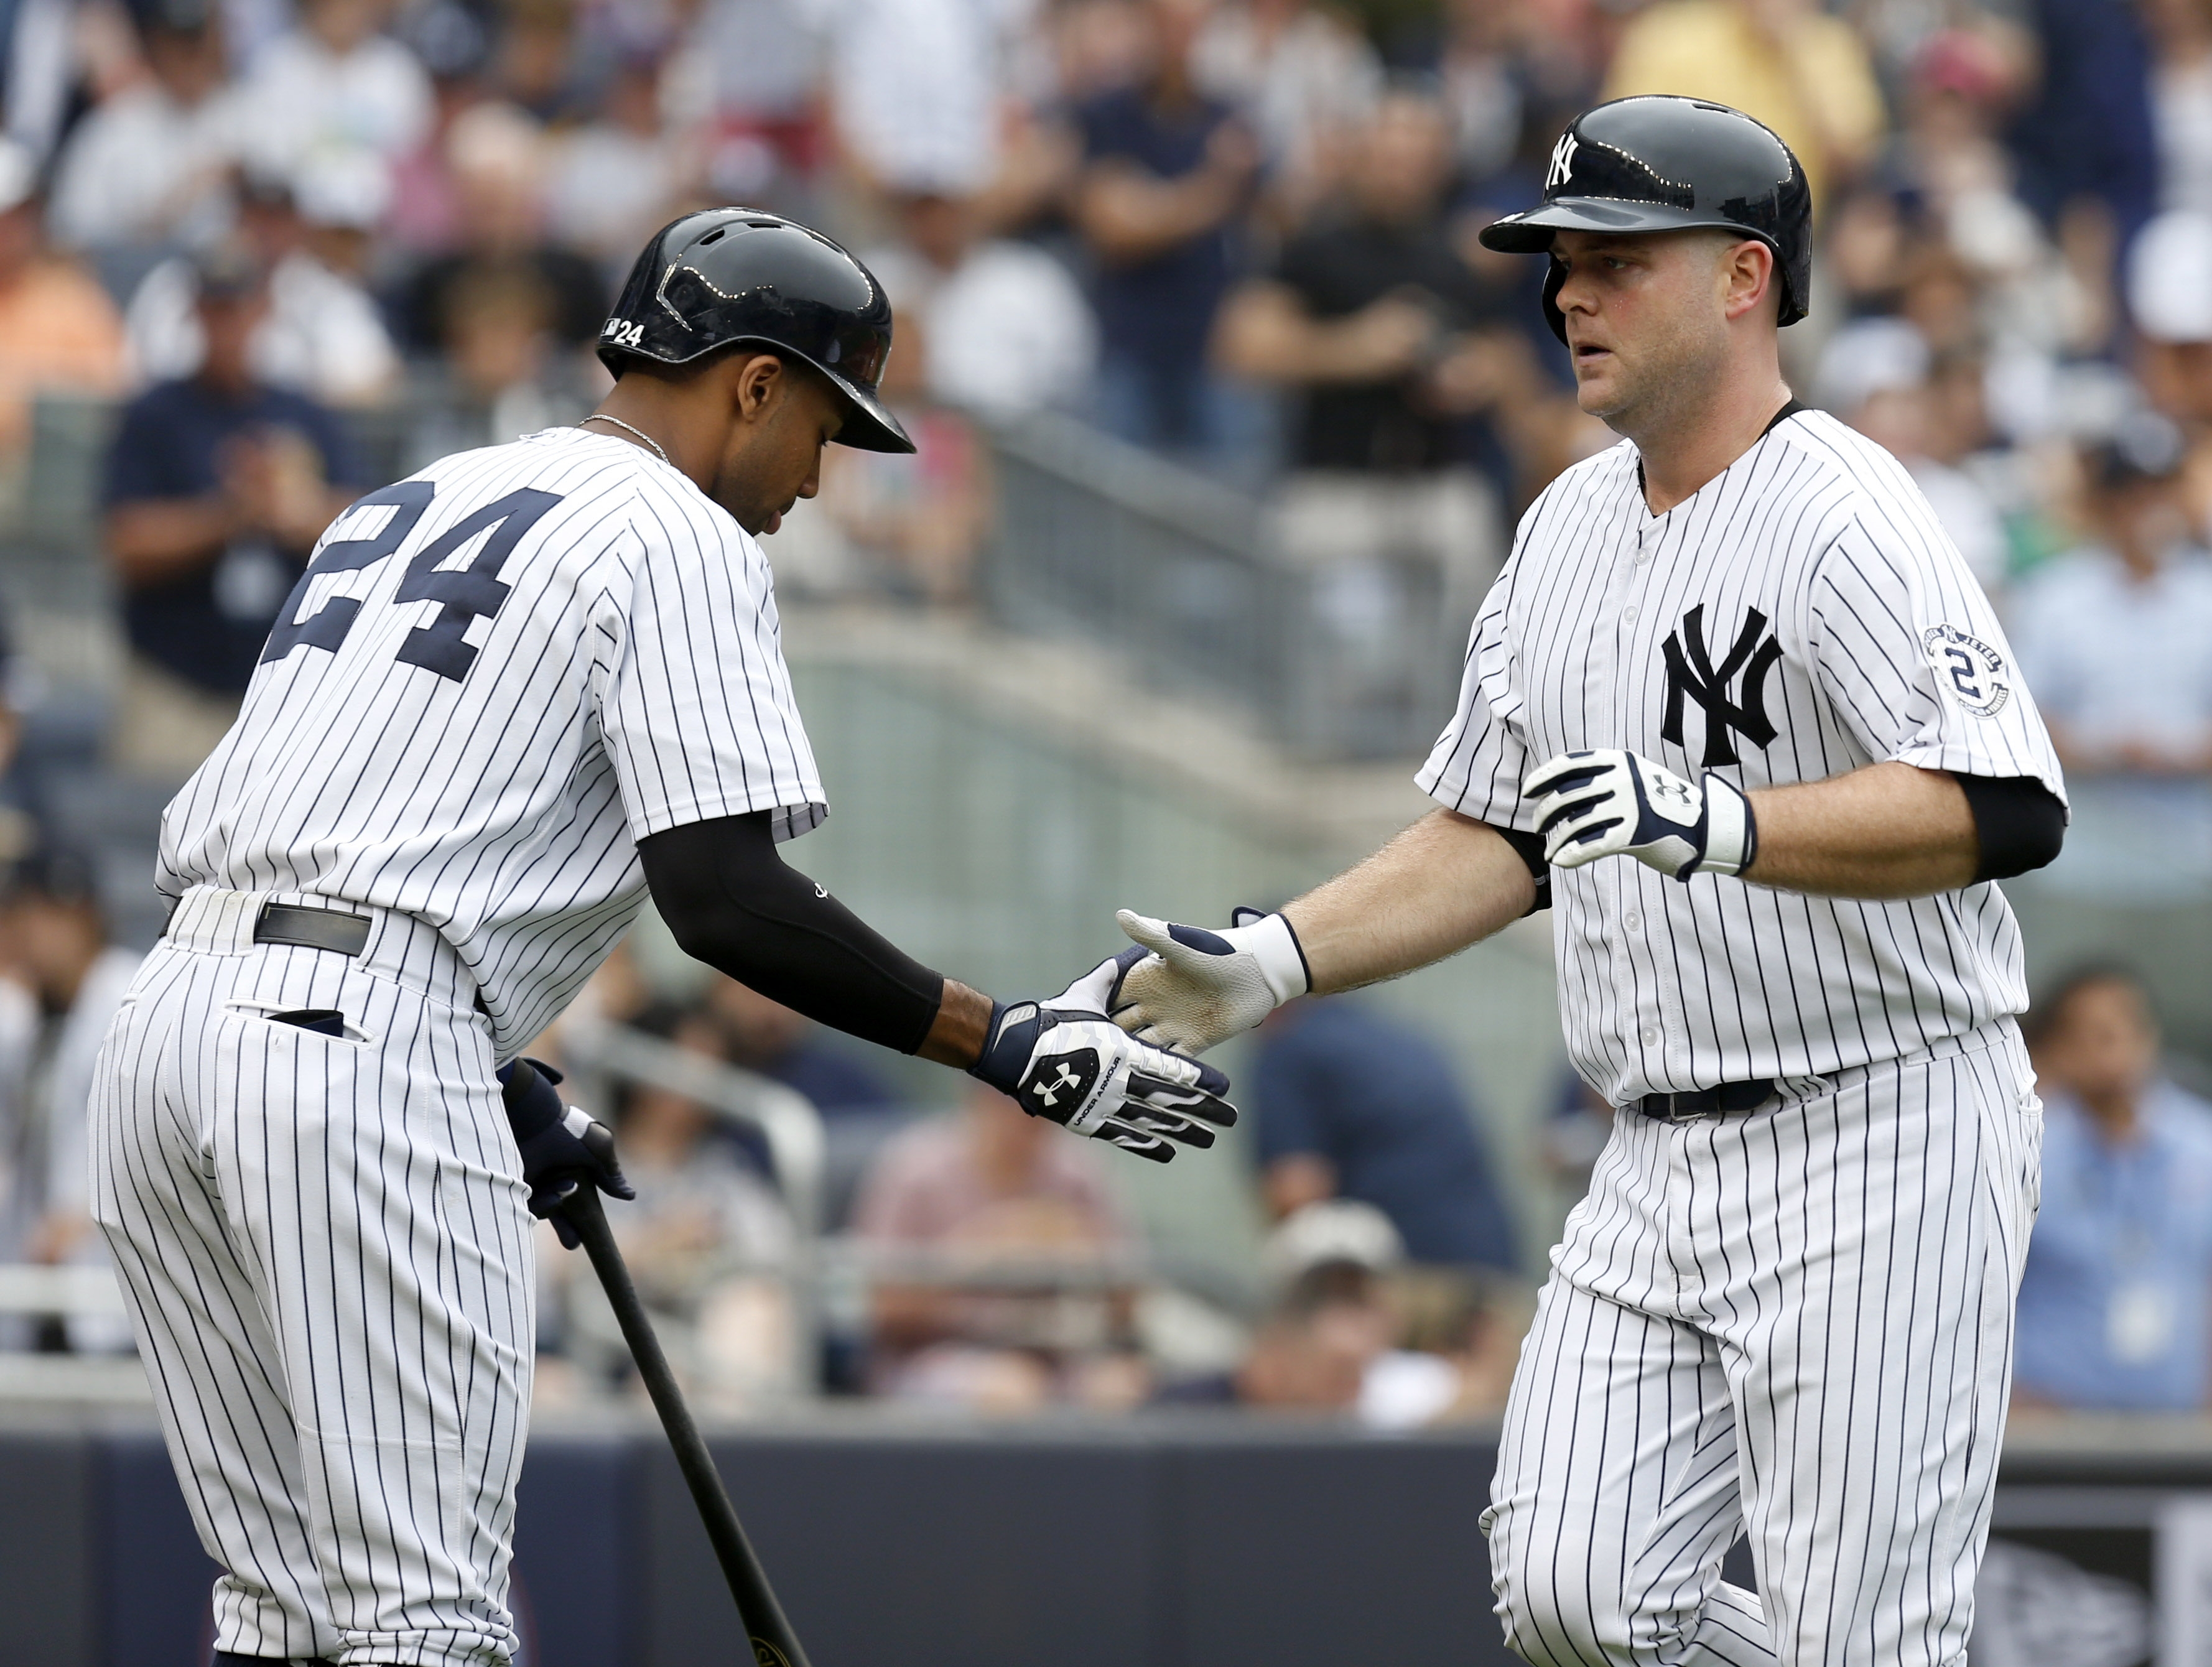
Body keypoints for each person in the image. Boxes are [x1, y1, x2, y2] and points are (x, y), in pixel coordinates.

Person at [90, 207, 1232, 1666]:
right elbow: (726, 896)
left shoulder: (416, 491)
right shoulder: (675, 528)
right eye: (826, 421)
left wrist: (486, 1057)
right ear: (752, 380)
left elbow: (361, 820)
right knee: (420, 1616)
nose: (824, 473)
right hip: (350, 1050)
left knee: (277, 1610)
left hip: (174, 1017)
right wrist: (1001, 1038)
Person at [1109, 96, 2066, 1667]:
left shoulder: (1846, 506)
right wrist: (1278, 955)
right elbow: (1497, 830)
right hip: (1651, 1144)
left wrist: (1724, 818)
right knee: (1573, 1592)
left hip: (1884, 1120)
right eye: (1560, 258)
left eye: (1617, 255)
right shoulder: (1559, 525)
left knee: (1863, 1635)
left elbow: (2007, 802)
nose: (1569, 288)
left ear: (1746, 276)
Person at [104, 243, 365, 778]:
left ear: (263, 311)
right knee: (152, 836)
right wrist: (228, 514)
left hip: (292, 686)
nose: (230, 323)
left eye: (240, 307)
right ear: (196, 313)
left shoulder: (301, 411)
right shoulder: (156, 414)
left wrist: (292, 506)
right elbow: (125, 541)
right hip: (178, 680)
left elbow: (366, 521)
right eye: (216, 308)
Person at [2007, 412, 2212, 899]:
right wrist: (2103, 748)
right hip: (2084, 856)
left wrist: (2176, 753)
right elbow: (2023, 717)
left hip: (2196, 851)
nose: (2148, 511)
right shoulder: (2055, 595)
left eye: (2160, 493)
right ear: (2105, 504)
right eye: (2133, 496)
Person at [852, 1081, 1148, 1409]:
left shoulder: (1077, 1173)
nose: (1029, 1120)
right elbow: (881, 1309)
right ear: (980, 1099)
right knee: (1010, 1389)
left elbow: (1131, 1307)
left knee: (1117, 1389)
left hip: (1060, 1354)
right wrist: (978, 1257)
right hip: (935, 1357)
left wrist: (1090, 1264)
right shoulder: (914, 1169)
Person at [1070, 0, 1263, 464]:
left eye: (1194, 28)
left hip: (1213, 350)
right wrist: (1215, 187)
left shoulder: (1233, 117)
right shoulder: (1108, 116)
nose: (1182, 41)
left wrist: (1159, 208)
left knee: (1218, 513)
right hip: (1129, 348)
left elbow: (1278, 217)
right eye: (1170, 26)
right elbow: (1116, 229)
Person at [2014, 964, 2212, 1412]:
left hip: (2179, 1435)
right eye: (2095, 1034)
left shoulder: (2201, 1146)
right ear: (2059, 1048)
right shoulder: (2029, 1154)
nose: (2115, 1047)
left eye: (2127, 1026)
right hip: (2053, 1432)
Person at [1248, 995, 1516, 1273]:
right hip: (1494, 1276)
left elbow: (1297, 1195)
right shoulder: (1397, 1035)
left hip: (1411, 1283)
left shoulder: (1289, 1049)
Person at [0, 138, 129, 463]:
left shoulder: (75, 302)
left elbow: (113, 399)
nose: (9, 230)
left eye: (19, 215)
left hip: (47, 475)